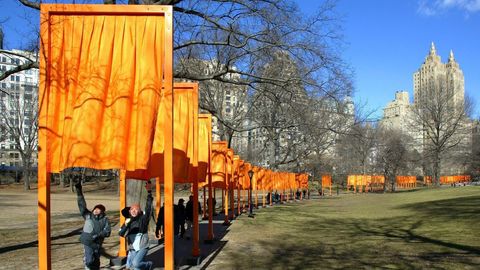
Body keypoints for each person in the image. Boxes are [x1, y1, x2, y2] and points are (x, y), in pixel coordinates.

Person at [75, 181, 111, 270]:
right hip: (87, 241)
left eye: (98, 210)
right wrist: (79, 191)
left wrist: (98, 235)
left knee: (96, 261)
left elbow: (107, 231)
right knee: (89, 261)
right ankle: (86, 262)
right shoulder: (88, 215)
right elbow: (82, 205)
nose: (96, 211)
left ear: (102, 212)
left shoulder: (105, 219)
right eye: (95, 209)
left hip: (97, 242)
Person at [119, 181, 154, 270]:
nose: (134, 211)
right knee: (135, 267)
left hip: (143, 246)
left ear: (139, 212)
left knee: (135, 263)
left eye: (136, 209)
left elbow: (148, 208)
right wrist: (126, 225)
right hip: (133, 248)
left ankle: (149, 264)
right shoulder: (128, 221)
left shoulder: (143, 219)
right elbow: (121, 234)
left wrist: (149, 193)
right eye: (132, 209)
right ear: (129, 211)